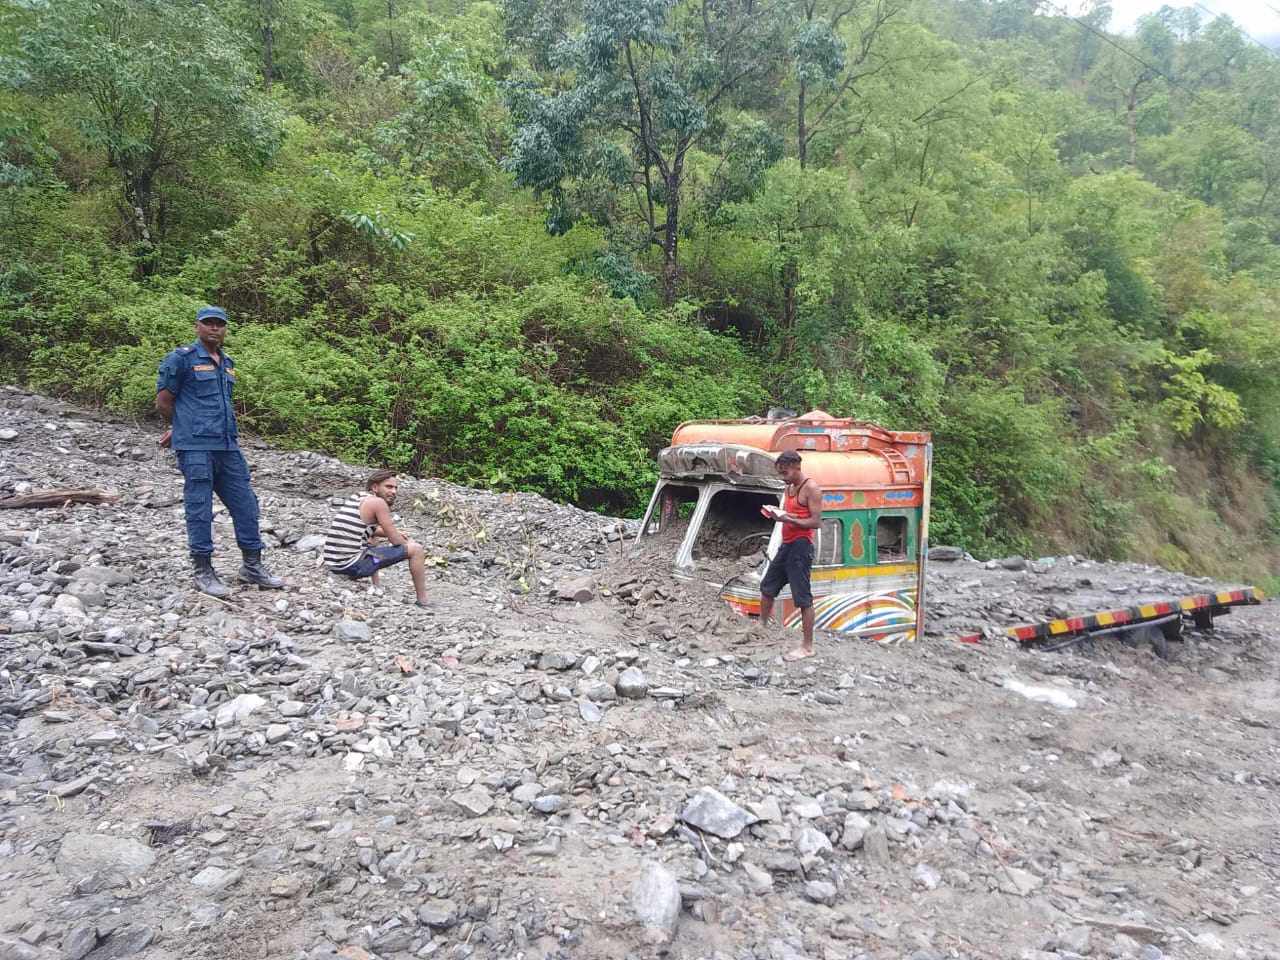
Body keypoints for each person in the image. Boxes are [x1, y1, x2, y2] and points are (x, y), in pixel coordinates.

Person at [156, 305, 285, 597]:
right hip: (196, 447)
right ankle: (203, 570)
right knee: (200, 508)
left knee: (246, 505)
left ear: (225, 328)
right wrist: (181, 428)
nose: (214, 328)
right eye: (208, 323)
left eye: (220, 324)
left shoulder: (227, 362)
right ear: (197, 326)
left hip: (227, 446)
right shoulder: (181, 359)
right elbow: (164, 401)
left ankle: (252, 565)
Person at [323, 470, 429, 607]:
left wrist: (392, 532)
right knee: (416, 550)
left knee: (372, 537)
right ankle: (423, 601)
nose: (394, 491)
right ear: (375, 487)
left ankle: (376, 586)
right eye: (389, 487)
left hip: (334, 564)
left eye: (395, 488)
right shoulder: (378, 503)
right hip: (351, 566)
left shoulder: (359, 497)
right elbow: (396, 542)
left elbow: (365, 528)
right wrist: (408, 543)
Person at [759, 449, 823, 661]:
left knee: (802, 597)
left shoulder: (811, 488)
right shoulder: (789, 488)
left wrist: (788, 519)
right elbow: (793, 513)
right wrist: (777, 513)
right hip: (786, 544)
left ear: (797, 467)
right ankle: (761, 628)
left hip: (801, 546)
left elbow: (815, 522)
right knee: (767, 587)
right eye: (780, 473)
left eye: (785, 472)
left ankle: (807, 647)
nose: (782, 477)